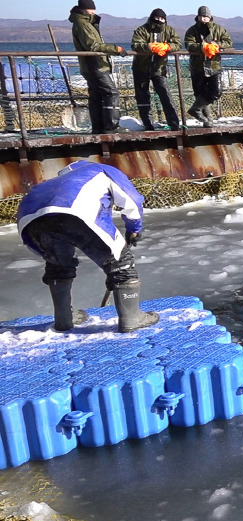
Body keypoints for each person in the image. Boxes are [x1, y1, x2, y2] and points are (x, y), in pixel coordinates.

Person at [16, 161, 159, 333]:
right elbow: (131, 200)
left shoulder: (51, 183)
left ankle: (64, 319)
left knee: (58, 265)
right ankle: (131, 318)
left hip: (31, 222)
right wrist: (134, 228)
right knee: (121, 264)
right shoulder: (102, 170)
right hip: (74, 212)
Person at [69, 0, 125, 134]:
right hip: (94, 65)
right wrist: (115, 49)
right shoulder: (83, 24)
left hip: (91, 66)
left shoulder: (85, 23)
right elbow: (92, 46)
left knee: (96, 96)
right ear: (84, 10)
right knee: (111, 93)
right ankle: (111, 127)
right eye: (91, 9)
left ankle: (98, 127)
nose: (94, 12)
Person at [131, 8, 182, 131]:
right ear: (152, 17)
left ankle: (174, 123)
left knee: (165, 94)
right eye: (157, 18)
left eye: (162, 18)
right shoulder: (141, 30)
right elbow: (135, 44)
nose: (159, 20)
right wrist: (149, 47)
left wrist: (167, 46)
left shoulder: (169, 30)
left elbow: (178, 43)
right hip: (141, 68)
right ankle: (147, 124)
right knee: (142, 96)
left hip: (159, 68)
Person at [184, 6, 232, 128]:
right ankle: (207, 120)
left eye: (206, 16)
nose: (203, 19)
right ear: (198, 17)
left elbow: (228, 42)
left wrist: (216, 45)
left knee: (215, 92)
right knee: (200, 93)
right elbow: (188, 44)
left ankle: (195, 109)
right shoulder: (192, 30)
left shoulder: (219, 29)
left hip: (214, 65)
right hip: (197, 66)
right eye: (201, 16)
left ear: (210, 17)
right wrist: (202, 47)